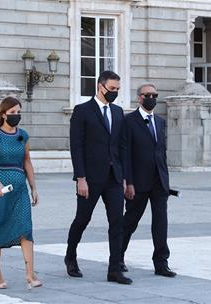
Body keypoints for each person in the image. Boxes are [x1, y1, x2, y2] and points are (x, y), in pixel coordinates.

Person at [65, 71, 132, 285]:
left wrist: (123, 177)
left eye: (117, 90)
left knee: (117, 222)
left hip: (114, 178)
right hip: (90, 178)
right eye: (112, 89)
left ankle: (114, 269)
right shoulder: (82, 111)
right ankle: (71, 256)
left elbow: (122, 146)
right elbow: (76, 147)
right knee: (82, 220)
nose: (115, 93)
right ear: (100, 86)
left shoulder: (118, 112)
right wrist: (80, 178)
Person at [0, 96, 41, 289]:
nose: (16, 116)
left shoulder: (23, 135)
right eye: (12, 113)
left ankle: (30, 274)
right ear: (4, 114)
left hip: (20, 189)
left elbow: (27, 162)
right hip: (0, 189)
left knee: (25, 229)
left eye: (18, 112)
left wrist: (33, 187)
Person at [120, 83, 176, 277]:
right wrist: (129, 182)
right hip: (138, 182)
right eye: (147, 95)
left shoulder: (160, 122)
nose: (151, 98)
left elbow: (161, 153)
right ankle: (118, 257)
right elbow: (125, 153)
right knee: (130, 221)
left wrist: (166, 181)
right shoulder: (129, 121)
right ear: (139, 98)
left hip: (159, 182)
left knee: (161, 222)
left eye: (154, 95)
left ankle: (161, 262)